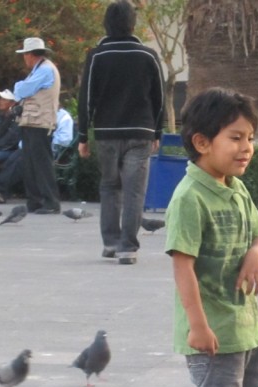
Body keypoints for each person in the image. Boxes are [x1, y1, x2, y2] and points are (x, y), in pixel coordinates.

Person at [164, 87, 258, 387]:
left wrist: (254, 254)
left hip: (248, 330)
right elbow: (182, 266)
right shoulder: (190, 197)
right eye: (236, 137)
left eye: (249, 137)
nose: (247, 147)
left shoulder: (235, 188)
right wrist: (197, 325)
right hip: (212, 336)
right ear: (202, 142)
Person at [78, 0, 164, 264]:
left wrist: (83, 136)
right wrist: (157, 132)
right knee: (134, 191)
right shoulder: (148, 55)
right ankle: (128, 247)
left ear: (106, 24)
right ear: (132, 24)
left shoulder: (97, 56)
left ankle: (111, 242)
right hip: (141, 132)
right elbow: (158, 97)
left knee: (109, 186)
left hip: (106, 133)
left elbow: (86, 98)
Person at [14, 37, 61, 215]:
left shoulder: (45, 70)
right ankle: (35, 201)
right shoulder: (39, 69)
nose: (24, 58)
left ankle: (51, 202)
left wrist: (19, 85)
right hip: (32, 121)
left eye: (24, 54)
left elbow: (22, 90)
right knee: (31, 164)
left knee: (41, 164)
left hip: (40, 122)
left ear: (29, 55)